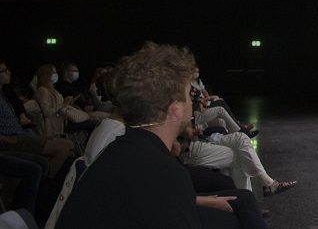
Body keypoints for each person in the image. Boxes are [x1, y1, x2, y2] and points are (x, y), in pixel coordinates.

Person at [55, 41, 249, 228]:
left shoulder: (124, 147)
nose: (192, 102)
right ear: (175, 108)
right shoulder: (163, 172)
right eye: (189, 96)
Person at [0, 61, 74, 179]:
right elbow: (47, 111)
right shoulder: (42, 90)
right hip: (13, 139)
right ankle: (46, 184)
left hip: (22, 134)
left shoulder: (3, 93)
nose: (9, 72)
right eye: (4, 71)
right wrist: (6, 139)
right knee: (63, 149)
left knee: (69, 144)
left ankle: (51, 181)